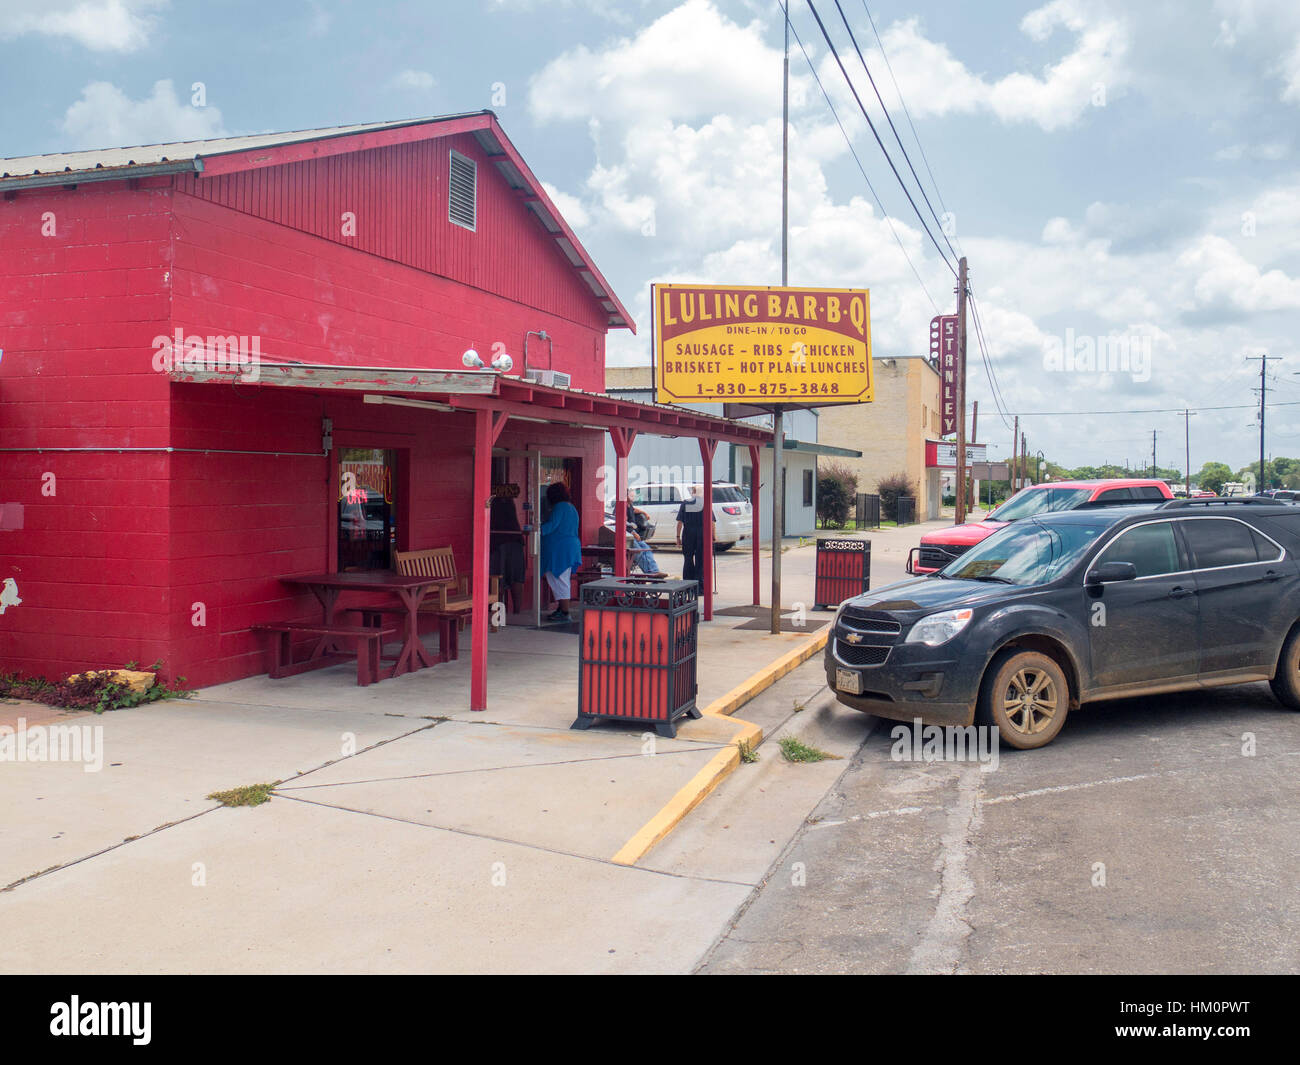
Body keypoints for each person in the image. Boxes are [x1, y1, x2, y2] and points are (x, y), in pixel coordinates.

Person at [540, 481, 582, 623]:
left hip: (560, 549)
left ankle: (565, 612)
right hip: (570, 547)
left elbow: (552, 525)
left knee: (559, 579)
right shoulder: (571, 508)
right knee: (561, 578)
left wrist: (537, 530)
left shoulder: (559, 507)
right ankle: (561, 608)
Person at [488, 493, 526, 615]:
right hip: (514, 539)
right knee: (516, 578)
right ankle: (516, 612)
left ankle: (498, 615)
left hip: (497, 540)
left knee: (498, 577)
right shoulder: (509, 499)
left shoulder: (491, 499)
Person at [675, 485, 715, 583]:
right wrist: (713, 536)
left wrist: (678, 537)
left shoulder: (685, 503)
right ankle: (700, 586)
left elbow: (680, 522)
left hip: (688, 533)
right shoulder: (705, 503)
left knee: (688, 559)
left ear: (693, 492)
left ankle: (688, 584)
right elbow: (712, 522)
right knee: (700, 560)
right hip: (703, 533)